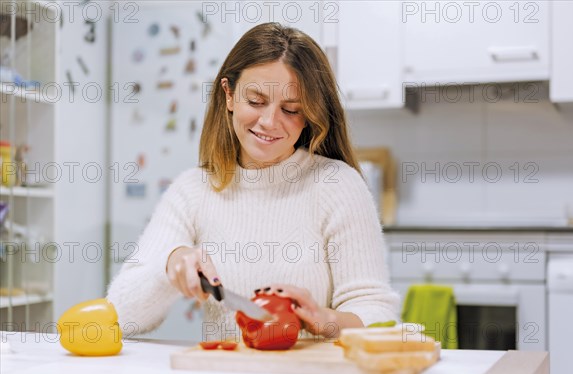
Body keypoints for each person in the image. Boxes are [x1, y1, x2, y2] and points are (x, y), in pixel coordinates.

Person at [107, 22, 400, 340]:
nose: (270, 122)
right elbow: (122, 316)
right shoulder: (193, 191)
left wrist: (324, 319)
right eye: (256, 101)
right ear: (229, 94)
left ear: (311, 115)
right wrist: (169, 266)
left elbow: (378, 313)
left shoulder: (336, 185)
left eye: (291, 109)